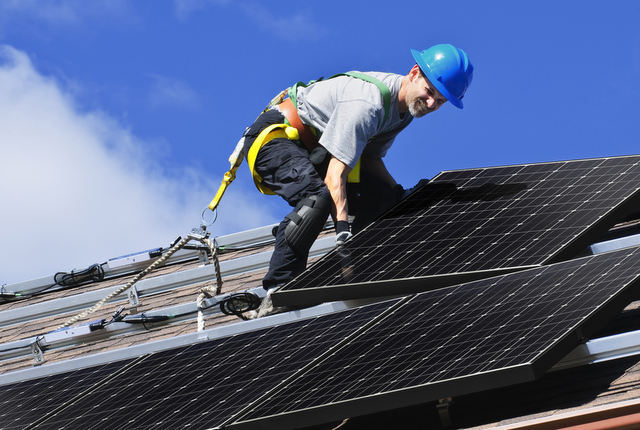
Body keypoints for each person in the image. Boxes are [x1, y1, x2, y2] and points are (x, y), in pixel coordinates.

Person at [242, 44, 474, 318]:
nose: (432, 103)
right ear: (414, 73)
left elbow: (372, 159)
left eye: (441, 100)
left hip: (315, 150)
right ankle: (279, 291)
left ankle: (366, 269)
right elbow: (334, 176)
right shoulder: (369, 104)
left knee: (386, 198)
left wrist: (397, 194)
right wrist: (343, 236)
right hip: (275, 138)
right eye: (430, 91)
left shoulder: (404, 113)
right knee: (317, 200)